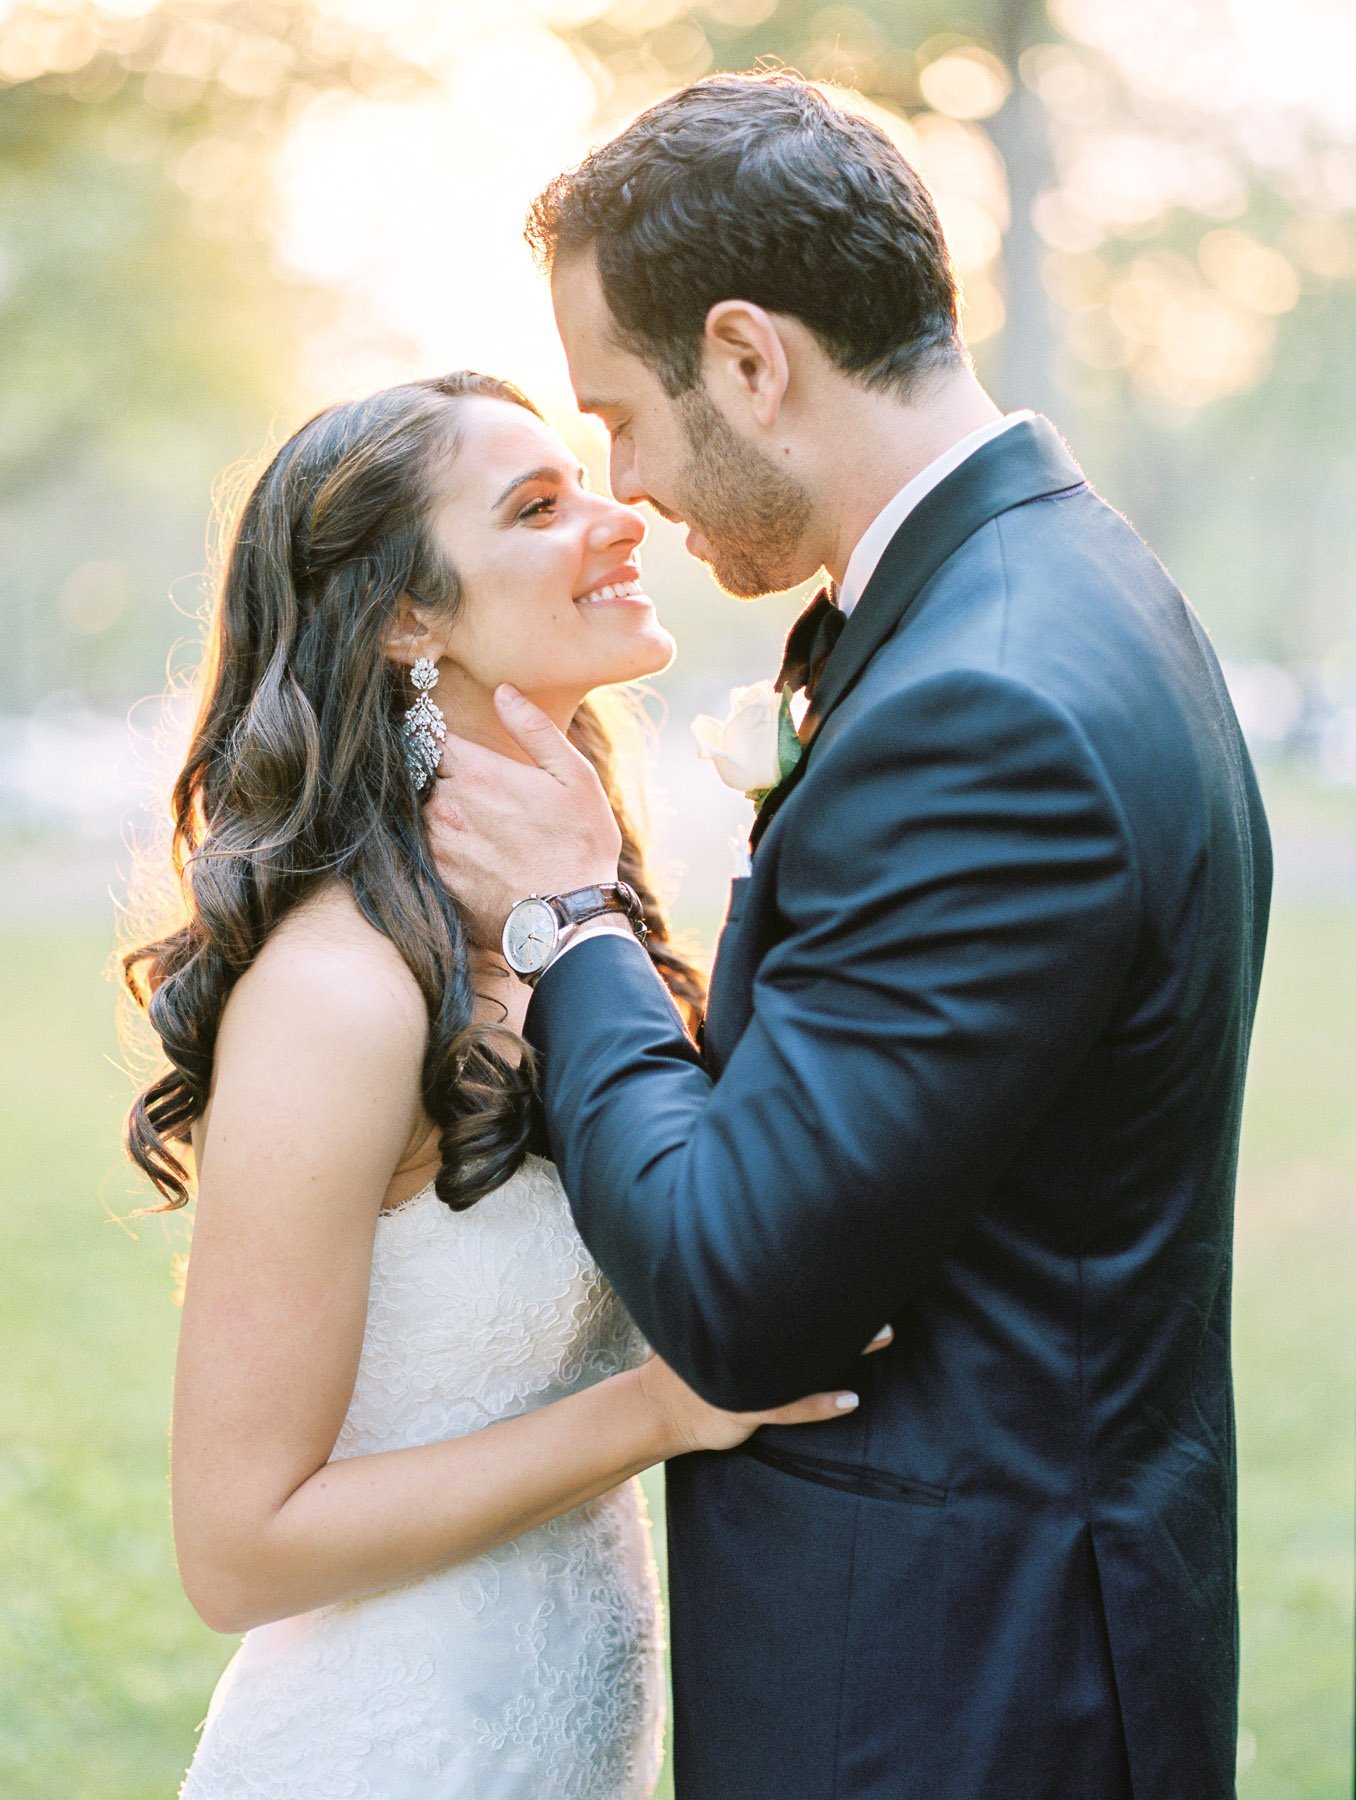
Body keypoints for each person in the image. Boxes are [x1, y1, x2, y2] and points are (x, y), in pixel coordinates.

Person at [431, 74, 1273, 1799]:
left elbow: (741, 1296)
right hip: (1015, 1637)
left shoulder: (983, 702)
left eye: (624, 419)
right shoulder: (1057, 588)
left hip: (951, 1690)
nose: (633, 489)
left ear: (749, 359)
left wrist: (572, 918)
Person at [122, 370, 875, 1798]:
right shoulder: (339, 994)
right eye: (540, 508)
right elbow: (236, 1546)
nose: (621, 520)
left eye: (590, 480)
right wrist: (658, 1411)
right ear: (410, 616)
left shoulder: (574, 926)